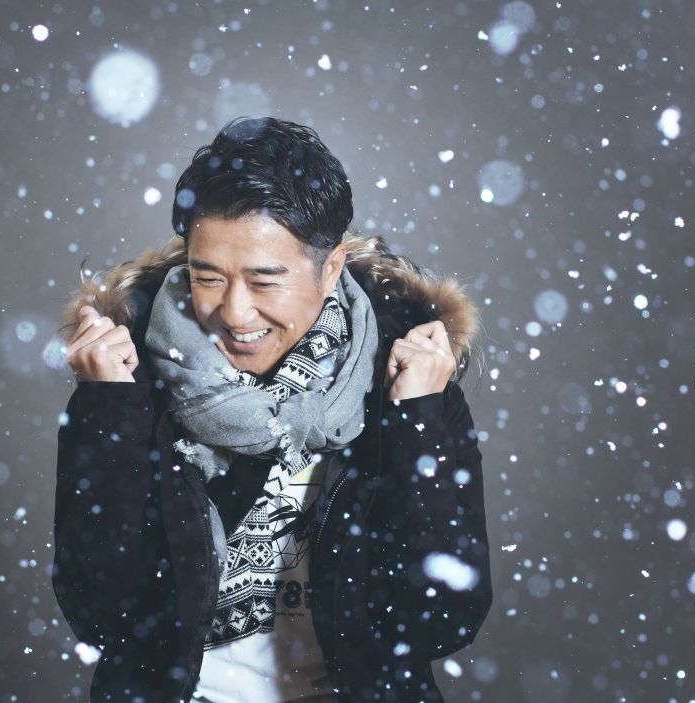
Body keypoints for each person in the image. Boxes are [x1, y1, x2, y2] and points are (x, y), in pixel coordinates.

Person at [52, 116, 493, 703]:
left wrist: (418, 418)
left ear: (330, 268)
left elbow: (442, 620)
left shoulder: (407, 381)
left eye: (264, 282)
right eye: (208, 278)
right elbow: (100, 615)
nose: (234, 313)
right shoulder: (129, 379)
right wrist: (110, 409)